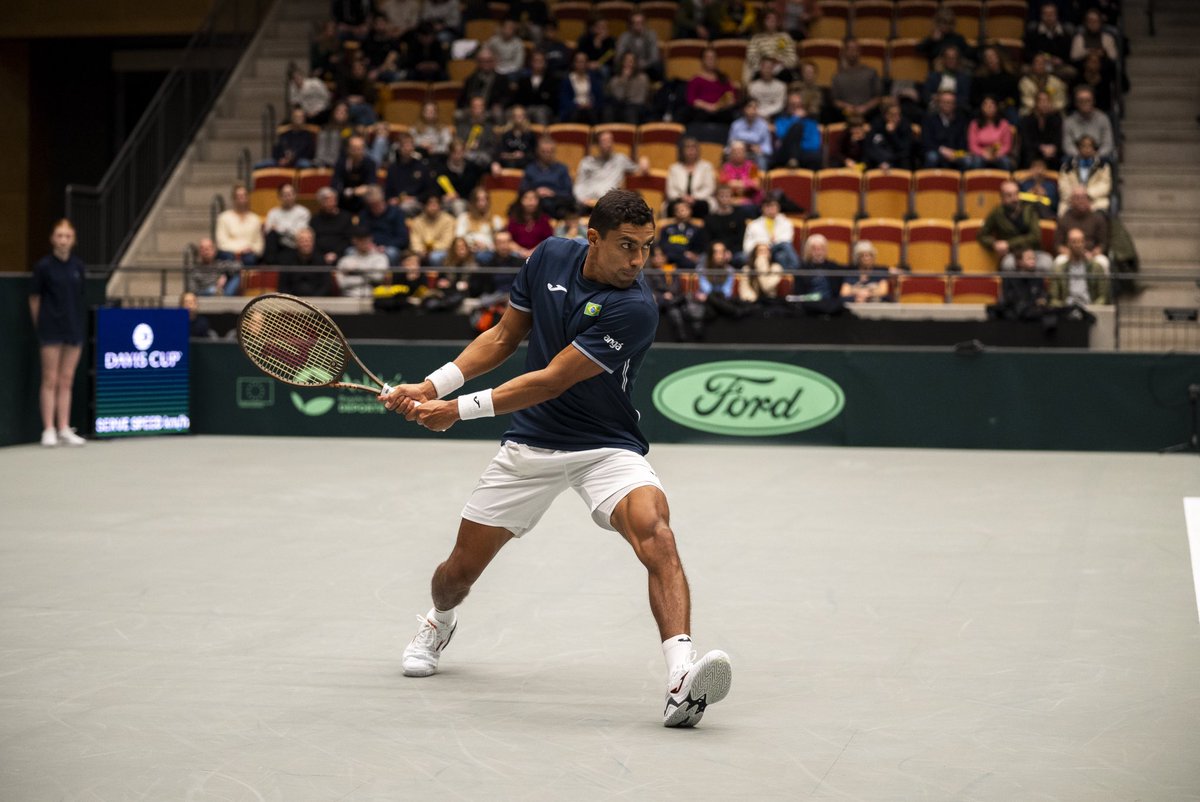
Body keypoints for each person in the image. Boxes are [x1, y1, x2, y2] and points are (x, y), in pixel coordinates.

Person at [378, 190, 733, 729]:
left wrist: (455, 410)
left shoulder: (635, 306)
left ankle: (682, 678)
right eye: (627, 247)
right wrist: (430, 385)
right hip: (531, 445)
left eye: (647, 248)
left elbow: (550, 380)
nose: (639, 261)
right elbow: (501, 337)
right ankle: (439, 620)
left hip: (605, 445)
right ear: (593, 239)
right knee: (456, 574)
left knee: (656, 532)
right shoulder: (548, 256)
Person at [30, 219, 88, 447]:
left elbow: (80, 295)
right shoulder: (43, 267)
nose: (63, 240)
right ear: (52, 239)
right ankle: (49, 429)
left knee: (66, 379)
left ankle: (64, 427)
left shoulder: (78, 267)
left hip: (73, 327)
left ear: (73, 240)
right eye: (59, 236)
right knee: (50, 379)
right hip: (50, 328)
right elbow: (34, 299)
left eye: (67, 236)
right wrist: (41, 325)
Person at [979, 180, 1053, 273]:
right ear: (1002, 198)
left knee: (1047, 263)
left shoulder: (1029, 209)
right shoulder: (997, 213)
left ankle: (1036, 287)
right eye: (1009, 195)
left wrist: (1008, 244)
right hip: (1013, 254)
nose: (1014, 199)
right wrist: (994, 244)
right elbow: (982, 235)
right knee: (1008, 264)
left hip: (1032, 251)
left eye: (1016, 194)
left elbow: (1035, 236)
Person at [573, 130, 645, 210]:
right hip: (587, 203)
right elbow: (579, 184)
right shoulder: (587, 162)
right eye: (604, 141)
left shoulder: (620, 159)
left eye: (610, 140)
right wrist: (583, 200)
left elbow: (638, 170)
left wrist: (643, 161)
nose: (608, 144)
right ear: (597, 145)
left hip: (610, 205)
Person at [1050, 227, 1111, 307]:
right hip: (1068, 308)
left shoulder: (1096, 267)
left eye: (1080, 242)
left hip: (1089, 307)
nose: (1077, 245)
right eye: (1074, 242)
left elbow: (1103, 296)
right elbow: (1053, 298)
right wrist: (1062, 307)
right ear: (1068, 244)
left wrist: (1095, 307)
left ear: (1084, 243)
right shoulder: (1060, 269)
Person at [1055, 186, 1111, 273]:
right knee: (1059, 261)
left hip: (1092, 254)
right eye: (1077, 198)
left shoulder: (1098, 218)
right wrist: (1072, 254)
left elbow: (1103, 244)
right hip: (1070, 255)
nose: (1081, 201)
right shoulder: (1064, 219)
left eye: (1084, 197)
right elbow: (1058, 245)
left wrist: (1092, 254)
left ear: (1089, 200)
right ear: (1071, 201)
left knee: (1103, 262)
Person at [520, 136, 575, 219]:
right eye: (544, 151)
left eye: (550, 152)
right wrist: (536, 192)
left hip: (557, 204)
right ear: (538, 151)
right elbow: (523, 189)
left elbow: (568, 193)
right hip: (536, 205)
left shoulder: (562, 169)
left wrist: (552, 193)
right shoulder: (530, 168)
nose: (547, 154)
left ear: (554, 152)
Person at [742, 195, 800, 273]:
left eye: (773, 206)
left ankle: (789, 275)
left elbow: (787, 239)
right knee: (741, 257)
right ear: (762, 208)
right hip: (759, 252)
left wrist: (770, 243)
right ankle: (797, 267)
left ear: (778, 208)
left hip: (777, 250)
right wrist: (766, 244)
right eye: (767, 206)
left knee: (782, 253)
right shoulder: (753, 225)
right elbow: (747, 246)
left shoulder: (786, 222)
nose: (771, 209)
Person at [1057, 135, 1112, 214]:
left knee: (1101, 212)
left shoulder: (1103, 166)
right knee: (1064, 212)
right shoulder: (1067, 166)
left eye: (1090, 146)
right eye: (1083, 146)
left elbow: (1105, 185)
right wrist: (1076, 197)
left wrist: (1087, 193)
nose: (1087, 149)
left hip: (1095, 201)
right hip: (1071, 202)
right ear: (1078, 149)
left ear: (1094, 149)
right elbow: (1063, 186)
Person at [830, 39, 882, 123]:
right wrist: (847, 107)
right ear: (844, 52)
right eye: (849, 49)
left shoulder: (871, 72)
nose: (852, 52)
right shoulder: (837, 76)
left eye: (855, 49)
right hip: (844, 116)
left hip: (869, 116)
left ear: (859, 52)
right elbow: (835, 101)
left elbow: (878, 97)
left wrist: (865, 108)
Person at [921, 91, 976, 170]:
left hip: (955, 153)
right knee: (932, 157)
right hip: (937, 151)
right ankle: (931, 182)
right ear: (939, 103)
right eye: (944, 102)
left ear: (954, 105)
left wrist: (955, 153)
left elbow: (963, 142)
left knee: (968, 160)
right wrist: (942, 150)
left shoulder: (961, 120)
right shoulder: (929, 119)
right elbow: (926, 142)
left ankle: (960, 182)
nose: (947, 105)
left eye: (950, 102)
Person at [742, 9, 798, 85]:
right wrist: (764, 65)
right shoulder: (756, 39)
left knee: (786, 74)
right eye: (769, 19)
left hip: (780, 69)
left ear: (778, 22)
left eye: (774, 19)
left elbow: (793, 59)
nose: (771, 22)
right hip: (761, 69)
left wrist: (780, 61)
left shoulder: (785, 38)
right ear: (764, 21)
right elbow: (751, 58)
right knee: (756, 76)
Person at [666, 137, 717, 219]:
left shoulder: (706, 166)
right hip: (680, 200)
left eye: (693, 148)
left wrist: (694, 197)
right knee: (671, 206)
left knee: (703, 206)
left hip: (699, 200)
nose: (690, 151)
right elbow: (671, 190)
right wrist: (683, 197)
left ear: (697, 150)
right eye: (687, 148)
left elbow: (709, 188)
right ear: (682, 151)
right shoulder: (674, 168)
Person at [215, 183, 264, 266]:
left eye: (244, 196)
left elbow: (259, 244)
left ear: (248, 198)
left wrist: (251, 249)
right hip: (229, 254)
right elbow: (221, 242)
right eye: (238, 196)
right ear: (233, 198)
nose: (242, 199)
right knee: (229, 259)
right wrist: (239, 250)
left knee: (249, 260)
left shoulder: (255, 219)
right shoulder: (223, 217)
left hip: (249, 255)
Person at [685, 48, 738, 125]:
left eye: (713, 58)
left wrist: (720, 106)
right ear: (702, 60)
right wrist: (709, 106)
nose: (711, 61)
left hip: (721, 111)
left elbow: (731, 97)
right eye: (708, 58)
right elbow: (691, 99)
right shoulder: (696, 79)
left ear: (717, 60)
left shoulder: (724, 78)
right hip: (702, 112)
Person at [385, 133, 434, 215]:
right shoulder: (392, 168)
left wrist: (415, 198)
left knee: (404, 207)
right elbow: (388, 191)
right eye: (405, 145)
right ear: (399, 148)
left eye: (410, 145)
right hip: (398, 202)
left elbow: (429, 191)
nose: (408, 148)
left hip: (417, 203)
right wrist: (392, 199)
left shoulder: (421, 167)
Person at [278, 227, 336, 296]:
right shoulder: (287, 261)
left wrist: (313, 301)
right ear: (296, 243)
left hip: (317, 303)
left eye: (308, 240)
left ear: (313, 242)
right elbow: (283, 287)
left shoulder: (321, 260)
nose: (306, 244)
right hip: (293, 302)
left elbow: (326, 286)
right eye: (302, 240)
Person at [772, 91, 823, 171]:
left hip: (804, 152)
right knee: (797, 127)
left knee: (816, 157)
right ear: (787, 106)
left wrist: (798, 150)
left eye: (798, 104)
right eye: (792, 104)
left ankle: (794, 159)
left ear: (802, 106)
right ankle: (793, 159)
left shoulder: (811, 122)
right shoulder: (780, 120)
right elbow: (782, 137)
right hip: (785, 153)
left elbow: (815, 144)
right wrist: (795, 118)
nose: (795, 107)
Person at [361, 185, 410, 265]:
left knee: (392, 253)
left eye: (377, 204)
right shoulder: (364, 214)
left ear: (383, 200)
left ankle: (391, 277)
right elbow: (361, 234)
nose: (375, 208)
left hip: (389, 246)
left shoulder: (397, 212)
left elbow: (403, 239)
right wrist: (368, 245)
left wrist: (385, 246)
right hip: (369, 247)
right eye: (372, 205)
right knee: (351, 251)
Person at [997, 247, 1051, 320]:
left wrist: (1043, 300)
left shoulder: (1038, 278)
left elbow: (1042, 295)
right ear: (1019, 261)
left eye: (1034, 258)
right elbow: (1008, 298)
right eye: (1029, 258)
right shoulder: (1009, 278)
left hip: (1035, 314)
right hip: (1015, 315)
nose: (1033, 261)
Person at [263, 182, 311, 263]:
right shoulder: (273, 212)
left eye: (290, 194)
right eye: (285, 195)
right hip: (277, 246)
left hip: (294, 247)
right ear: (279, 197)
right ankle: (270, 268)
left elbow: (298, 234)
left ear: (295, 195)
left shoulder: (303, 212)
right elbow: (268, 231)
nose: (288, 197)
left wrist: (279, 228)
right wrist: (287, 230)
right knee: (272, 236)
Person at [1061, 86, 1114, 161]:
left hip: (1099, 156)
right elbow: (1067, 145)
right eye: (1081, 101)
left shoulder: (1103, 119)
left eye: (1088, 100)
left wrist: (1097, 155)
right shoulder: (1069, 121)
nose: (1084, 103)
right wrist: (1079, 155)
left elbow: (1107, 144)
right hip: (1076, 157)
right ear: (1076, 103)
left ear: (1093, 101)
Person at [1024, 3, 1074, 81]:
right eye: (1046, 14)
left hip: (1057, 67)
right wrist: (1039, 59)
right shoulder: (1033, 32)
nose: (1048, 17)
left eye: (1051, 14)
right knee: (1025, 69)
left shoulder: (1064, 34)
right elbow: (1027, 53)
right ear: (1041, 16)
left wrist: (1060, 61)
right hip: (1038, 65)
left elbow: (1069, 56)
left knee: (1070, 71)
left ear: (1056, 15)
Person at [971, 46, 1020, 124]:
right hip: (984, 107)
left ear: (999, 58)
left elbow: (1015, 98)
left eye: (993, 56)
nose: (990, 59)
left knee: (1013, 115)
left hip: (1004, 107)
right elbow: (974, 98)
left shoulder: (1009, 77)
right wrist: (986, 105)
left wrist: (1004, 104)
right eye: (987, 57)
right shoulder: (979, 78)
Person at [704, 183, 750, 265]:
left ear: (731, 198)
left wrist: (730, 252)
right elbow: (708, 240)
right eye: (721, 196)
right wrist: (719, 252)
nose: (725, 199)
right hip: (715, 252)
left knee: (744, 258)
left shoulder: (739, 215)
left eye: (727, 196)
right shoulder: (709, 218)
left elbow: (741, 238)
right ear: (716, 198)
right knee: (702, 259)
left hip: (735, 252)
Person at [331, 135, 378, 214]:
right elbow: (335, 184)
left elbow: (371, 184)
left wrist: (363, 190)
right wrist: (353, 191)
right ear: (348, 149)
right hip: (343, 199)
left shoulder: (370, 163)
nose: (357, 151)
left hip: (363, 201)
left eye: (360, 148)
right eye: (354, 148)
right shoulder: (341, 163)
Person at [337, 227, 390, 297]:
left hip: (373, 297)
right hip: (349, 297)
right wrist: (368, 275)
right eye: (360, 240)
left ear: (371, 239)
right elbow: (342, 283)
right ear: (354, 241)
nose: (364, 242)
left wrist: (354, 272)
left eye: (366, 239)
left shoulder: (380, 258)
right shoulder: (345, 260)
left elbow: (378, 277)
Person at [456, 186, 504, 264]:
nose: (482, 203)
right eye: (478, 200)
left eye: (484, 200)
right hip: (467, 251)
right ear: (473, 202)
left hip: (489, 252)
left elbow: (499, 243)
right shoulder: (464, 218)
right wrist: (470, 245)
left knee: (483, 256)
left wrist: (486, 246)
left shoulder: (496, 220)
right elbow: (459, 238)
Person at [1018, 90, 1064, 169]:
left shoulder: (1056, 119)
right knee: (1029, 155)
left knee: (1057, 158)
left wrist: (1053, 148)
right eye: (1041, 101)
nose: (1044, 104)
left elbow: (1058, 139)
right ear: (1035, 103)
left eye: (1047, 101)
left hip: (1050, 152)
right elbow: (1026, 142)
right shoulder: (1026, 120)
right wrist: (1041, 147)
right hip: (1033, 151)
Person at [658, 199, 708, 272]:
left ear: (690, 211)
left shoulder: (696, 230)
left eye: (684, 209)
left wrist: (694, 254)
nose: (681, 212)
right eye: (678, 210)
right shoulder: (666, 229)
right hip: (670, 257)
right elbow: (663, 244)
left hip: (686, 261)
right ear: (674, 212)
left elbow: (699, 247)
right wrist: (681, 252)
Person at [967, 96, 1016, 171]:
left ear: (996, 107)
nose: (988, 107)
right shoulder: (974, 124)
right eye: (985, 104)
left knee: (1006, 162)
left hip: (998, 154)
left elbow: (1007, 145)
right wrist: (983, 153)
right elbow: (973, 146)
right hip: (981, 155)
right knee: (976, 162)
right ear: (981, 107)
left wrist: (996, 154)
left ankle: (1007, 183)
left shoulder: (1004, 124)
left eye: (991, 104)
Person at [511, 50, 558, 126]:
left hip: (544, 109)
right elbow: (519, 99)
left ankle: (543, 136)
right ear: (531, 63)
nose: (538, 64)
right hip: (527, 108)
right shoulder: (524, 80)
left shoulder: (551, 80)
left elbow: (552, 101)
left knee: (540, 113)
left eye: (541, 61)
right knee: (517, 112)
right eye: (535, 61)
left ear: (545, 63)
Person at [311, 186, 355, 266]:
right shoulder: (315, 220)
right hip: (320, 255)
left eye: (332, 199)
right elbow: (313, 241)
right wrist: (322, 256)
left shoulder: (345, 217)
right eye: (326, 200)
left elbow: (349, 240)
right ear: (320, 202)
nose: (330, 202)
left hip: (342, 253)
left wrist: (336, 254)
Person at [865, 99, 914, 170]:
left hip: (898, 159)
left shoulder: (905, 124)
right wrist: (881, 161)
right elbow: (869, 146)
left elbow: (905, 149)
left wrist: (892, 134)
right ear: (885, 115)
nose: (897, 118)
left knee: (905, 161)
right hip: (879, 159)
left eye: (899, 114)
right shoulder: (877, 123)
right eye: (893, 115)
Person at [604, 52, 651, 125]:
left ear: (635, 64)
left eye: (631, 61)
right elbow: (618, 98)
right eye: (626, 61)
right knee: (608, 110)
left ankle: (632, 135)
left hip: (637, 106)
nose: (629, 64)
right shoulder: (615, 80)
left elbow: (641, 99)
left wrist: (629, 101)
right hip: (621, 106)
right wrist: (624, 80)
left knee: (630, 111)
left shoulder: (643, 78)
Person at [558, 50, 605, 124]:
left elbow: (599, 97)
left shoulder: (593, 78)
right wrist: (577, 105)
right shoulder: (567, 79)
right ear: (574, 63)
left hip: (590, 108)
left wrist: (591, 104)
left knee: (591, 113)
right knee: (576, 113)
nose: (581, 64)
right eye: (578, 62)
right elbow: (564, 100)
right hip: (573, 109)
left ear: (587, 63)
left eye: (583, 62)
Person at [506, 188, 555, 258]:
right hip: (517, 254)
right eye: (527, 198)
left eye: (534, 198)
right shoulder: (514, 219)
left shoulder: (544, 219)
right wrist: (521, 251)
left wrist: (533, 251)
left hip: (539, 253)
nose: (530, 201)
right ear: (520, 200)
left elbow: (548, 240)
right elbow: (509, 240)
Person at [409, 194, 456, 266]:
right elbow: (415, 241)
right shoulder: (417, 221)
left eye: (436, 204)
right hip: (421, 252)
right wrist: (421, 250)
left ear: (440, 205)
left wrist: (431, 249)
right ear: (425, 206)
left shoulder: (448, 220)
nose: (433, 207)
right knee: (411, 259)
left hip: (442, 251)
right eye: (430, 204)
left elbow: (447, 242)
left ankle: (437, 277)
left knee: (435, 257)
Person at [921, 46, 971, 113]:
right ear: (943, 59)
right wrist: (938, 99)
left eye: (954, 58)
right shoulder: (933, 76)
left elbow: (964, 98)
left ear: (958, 60)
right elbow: (925, 95)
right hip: (935, 108)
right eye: (948, 58)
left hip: (956, 110)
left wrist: (948, 101)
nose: (951, 60)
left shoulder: (964, 78)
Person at [727, 100, 774, 170]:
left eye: (755, 108)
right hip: (738, 154)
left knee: (761, 160)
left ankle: (760, 179)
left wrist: (760, 149)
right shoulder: (736, 125)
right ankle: (731, 179)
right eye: (749, 107)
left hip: (756, 155)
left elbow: (768, 149)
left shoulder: (763, 125)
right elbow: (729, 145)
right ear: (744, 109)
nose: (752, 111)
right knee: (729, 158)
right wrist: (738, 148)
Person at [615, 12, 662, 80]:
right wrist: (632, 65)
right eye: (636, 23)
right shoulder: (624, 37)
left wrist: (640, 65)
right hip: (629, 67)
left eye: (641, 23)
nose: (639, 26)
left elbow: (654, 57)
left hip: (647, 67)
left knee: (658, 65)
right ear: (631, 25)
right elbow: (619, 56)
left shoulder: (651, 35)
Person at [719, 141, 763, 207]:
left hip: (749, 198)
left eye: (740, 151)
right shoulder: (725, 167)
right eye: (735, 151)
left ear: (745, 153)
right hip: (730, 199)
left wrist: (738, 184)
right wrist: (745, 183)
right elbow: (723, 183)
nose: (737, 154)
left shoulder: (752, 167)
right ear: (730, 153)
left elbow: (756, 183)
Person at [495, 105, 538, 169]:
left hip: (525, 163)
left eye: (520, 116)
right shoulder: (506, 135)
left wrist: (523, 155)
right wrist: (512, 155)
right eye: (516, 116)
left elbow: (534, 153)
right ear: (512, 118)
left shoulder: (530, 135)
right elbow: (501, 153)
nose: (518, 118)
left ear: (525, 117)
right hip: (508, 162)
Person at [797, 233, 838, 301]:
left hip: (829, 304)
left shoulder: (833, 267)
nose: (818, 253)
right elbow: (799, 294)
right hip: (808, 304)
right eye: (814, 249)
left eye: (821, 249)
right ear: (808, 251)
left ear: (825, 250)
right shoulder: (802, 268)